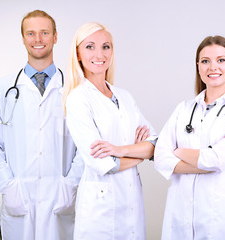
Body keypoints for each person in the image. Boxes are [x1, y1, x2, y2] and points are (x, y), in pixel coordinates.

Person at [0, 10, 83, 240]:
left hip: (60, 199)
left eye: (44, 33)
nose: (38, 39)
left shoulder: (76, 89)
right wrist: (7, 186)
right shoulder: (1, 89)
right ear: (23, 38)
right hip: (19, 199)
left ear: (55, 37)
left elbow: (88, 146)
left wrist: (71, 185)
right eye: (31, 33)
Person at [154, 35, 225, 239]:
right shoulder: (183, 109)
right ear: (198, 67)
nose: (213, 67)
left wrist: (179, 153)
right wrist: (203, 163)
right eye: (205, 61)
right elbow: (160, 157)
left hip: (220, 217)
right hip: (180, 213)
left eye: (221, 60)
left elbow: (218, 159)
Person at [62, 22, 157, 239]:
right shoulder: (77, 99)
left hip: (131, 200)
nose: (99, 54)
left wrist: (120, 150)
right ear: (77, 53)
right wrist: (139, 154)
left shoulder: (124, 96)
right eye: (90, 47)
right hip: (100, 210)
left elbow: (155, 144)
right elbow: (105, 164)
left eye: (106, 46)